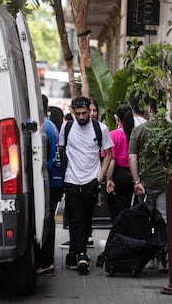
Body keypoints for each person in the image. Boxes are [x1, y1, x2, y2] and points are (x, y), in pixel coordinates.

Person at [59, 96, 113, 275]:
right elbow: (62, 150)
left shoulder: (100, 128)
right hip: (71, 179)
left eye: (85, 113)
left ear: (90, 111)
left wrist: (99, 177)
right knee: (75, 218)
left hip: (92, 180)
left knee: (87, 218)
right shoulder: (66, 128)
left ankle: (73, 253)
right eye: (78, 114)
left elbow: (108, 153)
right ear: (73, 112)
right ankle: (82, 255)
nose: (82, 117)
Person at [35, 94, 63, 276]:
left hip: (50, 182)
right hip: (54, 181)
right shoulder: (50, 125)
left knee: (47, 221)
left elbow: (46, 160)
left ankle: (46, 262)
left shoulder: (44, 127)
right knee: (48, 219)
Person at [128, 97, 166, 222]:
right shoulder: (171, 129)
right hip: (164, 182)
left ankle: (149, 241)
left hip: (146, 183)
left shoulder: (139, 130)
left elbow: (132, 157)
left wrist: (136, 181)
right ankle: (163, 241)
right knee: (163, 218)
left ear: (149, 109)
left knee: (146, 219)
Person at [105, 104, 135, 223]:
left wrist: (109, 179)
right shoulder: (135, 134)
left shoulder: (114, 135)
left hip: (118, 175)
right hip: (132, 175)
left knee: (117, 211)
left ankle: (118, 237)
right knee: (130, 209)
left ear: (117, 118)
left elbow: (112, 159)